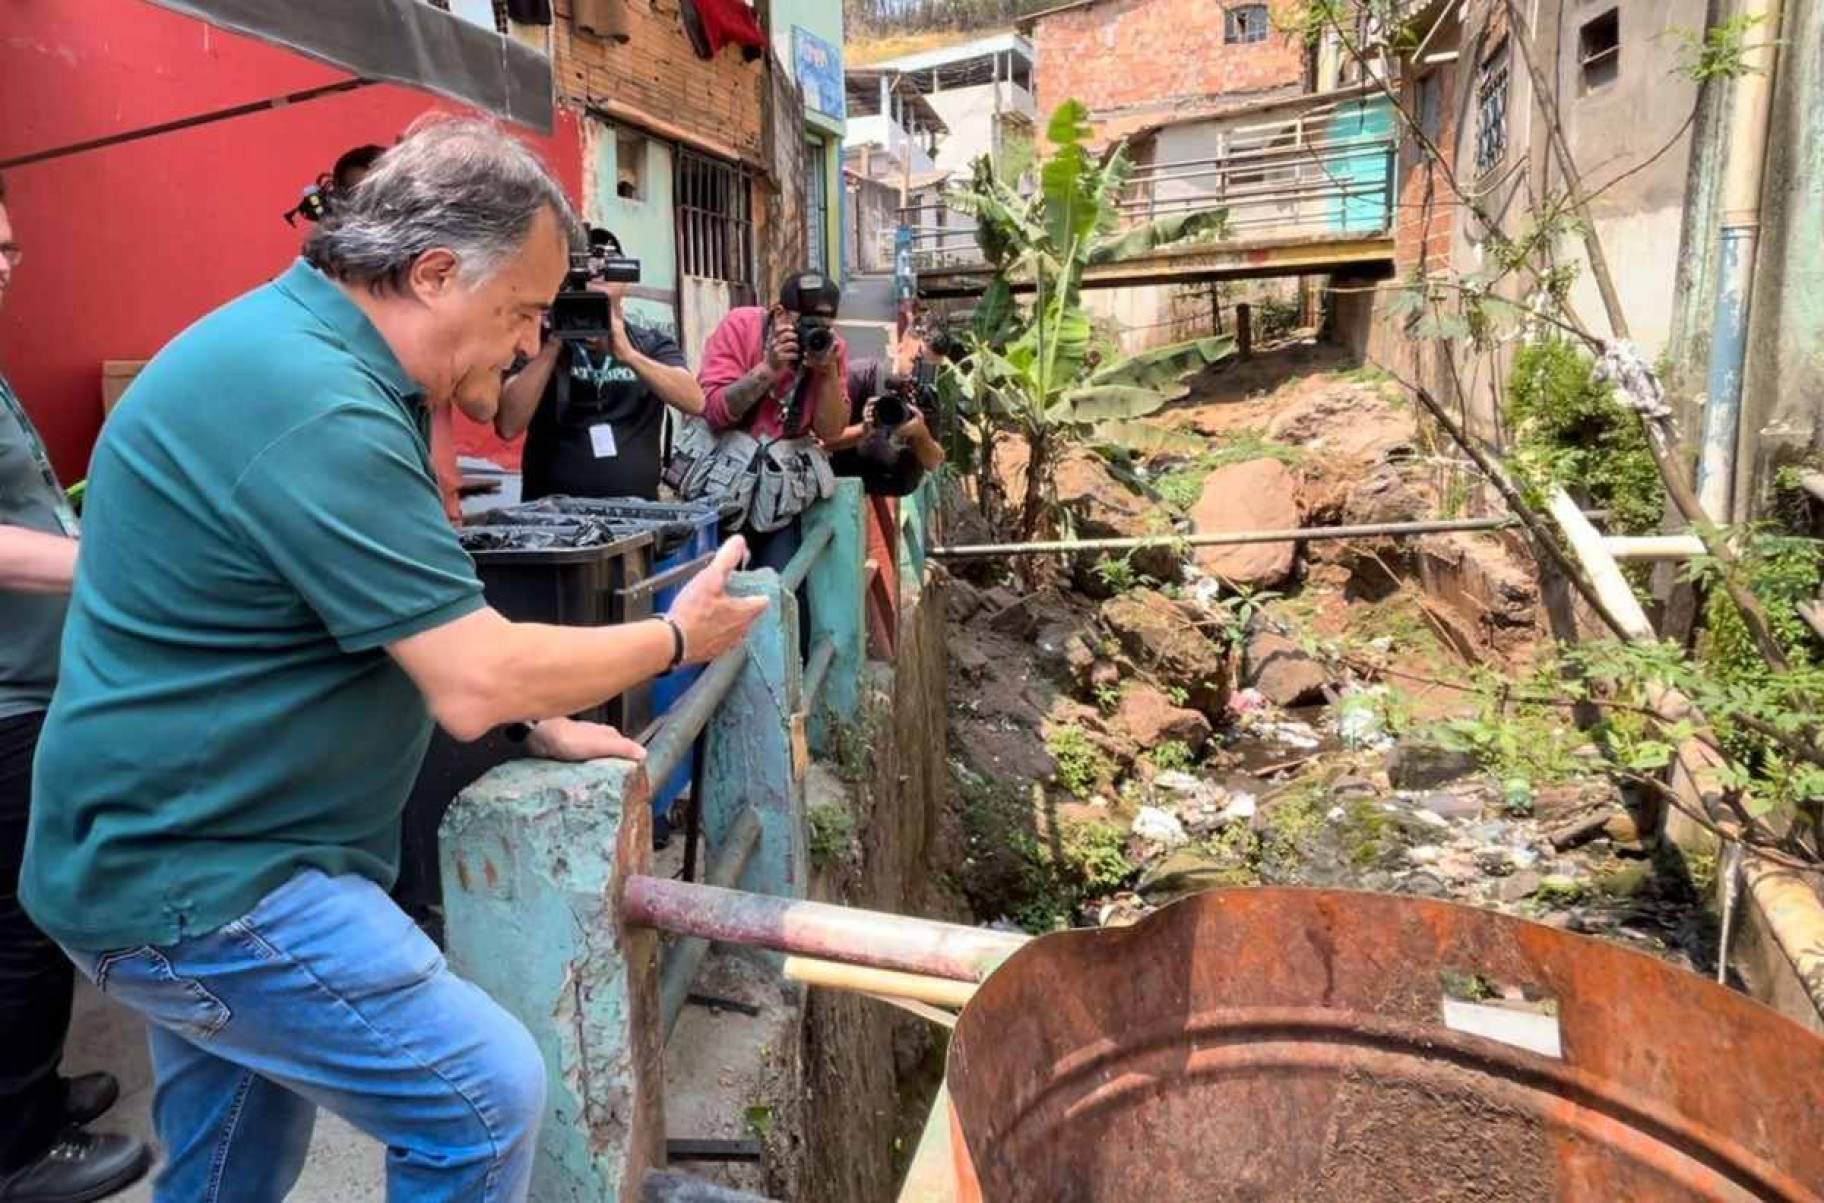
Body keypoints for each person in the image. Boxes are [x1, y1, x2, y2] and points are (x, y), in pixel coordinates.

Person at [19, 117, 766, 1202]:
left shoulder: (307, 360)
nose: (523, 346)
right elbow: (470, 676)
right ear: (430, 273)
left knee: (235, 1161)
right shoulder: (312, 399)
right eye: (517, 311)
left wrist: (533, 721)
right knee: (481, 1096)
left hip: (185, 847)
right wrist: (674, 640)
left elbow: (366, 623)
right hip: (204, 876)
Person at [0, 173, 152, 1203]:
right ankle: (16, 1151)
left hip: (34, 680)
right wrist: (113, 563)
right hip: (4, 699)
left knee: (31, 919)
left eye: (11, 248)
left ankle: (36, 1095)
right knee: (18, 929)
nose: (10, 268)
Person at [496, 227, 704, 501]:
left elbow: (695, 401)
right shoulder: (537, 342)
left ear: (626, 280)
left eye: (610, 261)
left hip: (635, 517)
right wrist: (554, 344)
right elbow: (508, 425)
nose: (599, 269)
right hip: (553, 518)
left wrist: (629, 355)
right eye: (587, 263)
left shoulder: (649, 343)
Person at [691, 271, 849, 577]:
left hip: (779, 500)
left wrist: (827, 373)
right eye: (805, 324)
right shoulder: (741, 326)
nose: (813, 333)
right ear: (779, 313)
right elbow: (714, 410)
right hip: (721, 490)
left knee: (781, 590)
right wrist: (769, 368)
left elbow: (831, 431)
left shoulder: (831, 348)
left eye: (824, 326)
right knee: (716, 589)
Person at [827, 330, 948, 498]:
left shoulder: (924, 398)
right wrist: (863, 429)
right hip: (836, 488)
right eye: (916, 361)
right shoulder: (859, 377)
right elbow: (821, 441)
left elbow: (934, 462)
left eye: (930, 370)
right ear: (899, 346)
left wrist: (920, 433)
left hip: (874, 491)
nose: (917, 375)